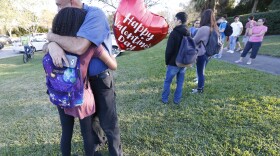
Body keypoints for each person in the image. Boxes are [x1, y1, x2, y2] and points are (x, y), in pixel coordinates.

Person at [47, 0, 123, 155]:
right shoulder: (73, 32)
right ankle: (94, 150)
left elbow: (79, 46)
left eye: (60, 5)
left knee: (108, 123)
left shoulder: (94, 15)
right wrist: (51, 44)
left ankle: (114, 152)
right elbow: (113, 63)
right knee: (89, 125)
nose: (57, 9)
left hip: (96, 81)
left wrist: (52, 38)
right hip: (81, 88)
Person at [161, 12, 189, 104]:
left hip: (173, 63)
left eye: (175, 19)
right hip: (184, 62)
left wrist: (167, 62)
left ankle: (164, 99)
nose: (174, 21)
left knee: (167, 82)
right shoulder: (188, 32)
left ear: (179, 21)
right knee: (180, 83)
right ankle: (177, 100)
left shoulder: (174, 33)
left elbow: (169, 50)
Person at [192, 9, 219, 93]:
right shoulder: (214, 28)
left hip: (202, 53)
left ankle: (200, 89)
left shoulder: (203, 28)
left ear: (204, 18)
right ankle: (200, 87)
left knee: (200, 73)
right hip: (209, 53)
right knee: (202, 71)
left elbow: (194, 41)